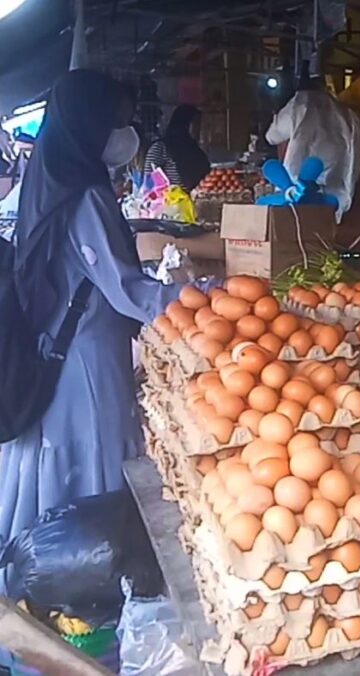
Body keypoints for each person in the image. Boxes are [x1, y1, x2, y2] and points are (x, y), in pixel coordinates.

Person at [0, 70, 182, 586]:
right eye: (117, 122)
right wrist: (198, 298)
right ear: (88, 125)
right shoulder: (86, 199)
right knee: (88, 453)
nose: (126, 134)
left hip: (57, 343)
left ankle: (45, 572)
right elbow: (126, 288)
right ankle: (85, 575)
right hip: (84, 356)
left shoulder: (48, 178)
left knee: (56, 459)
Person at [265, 72, 360, 221]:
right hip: (336, 194)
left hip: (295, 190)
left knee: (296, 225)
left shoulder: (299, 105)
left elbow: (271, 136)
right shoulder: (350, 115)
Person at [144, 104, 210, 191]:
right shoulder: (160, 149)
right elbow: (149, 186)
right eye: (197, 125)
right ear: (185, 125)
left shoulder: (197, 152)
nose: (200, 130)